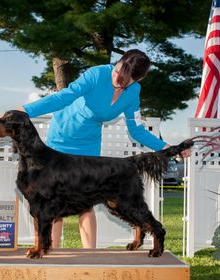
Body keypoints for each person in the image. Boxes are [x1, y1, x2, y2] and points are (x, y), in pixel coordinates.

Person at [20, 49, 190, 249]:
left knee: (86, 202)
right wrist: (26, 110)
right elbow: (63, 97)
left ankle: (90, 257)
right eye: (117, 71)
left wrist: (168, 147)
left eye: (124, 79)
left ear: (137, 79)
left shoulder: (133, 92)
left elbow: (136, 130)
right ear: (117, 63)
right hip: (62, 138)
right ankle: (51, 254)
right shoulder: (97, 74)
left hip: (88, 144)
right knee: (54, 201)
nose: (116, 79)